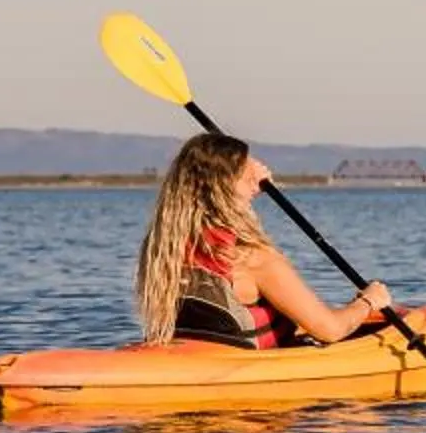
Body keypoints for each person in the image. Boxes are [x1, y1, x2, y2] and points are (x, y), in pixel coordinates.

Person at [134, 132, 394, 347]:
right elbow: (330, 330)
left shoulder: (162, 250)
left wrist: (247, 176)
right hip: (254, 387)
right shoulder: (253, 258)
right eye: (247, 176)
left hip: (199, 358)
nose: (255, 186)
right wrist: (369, 300)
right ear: (224, 186)